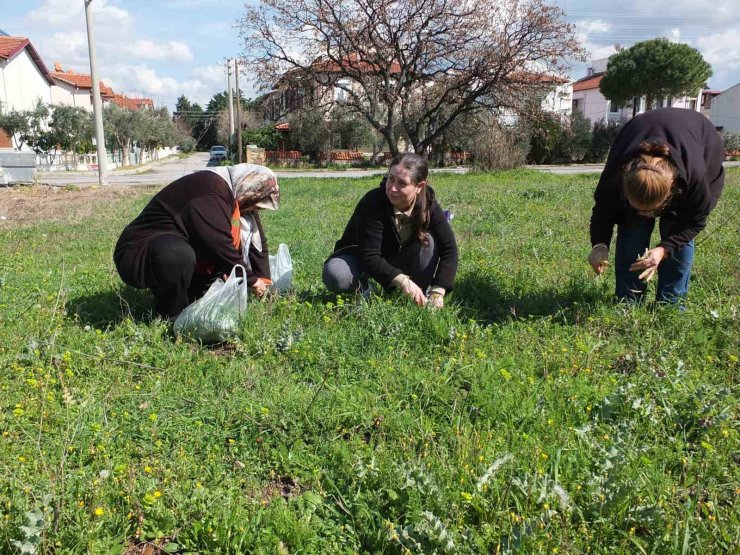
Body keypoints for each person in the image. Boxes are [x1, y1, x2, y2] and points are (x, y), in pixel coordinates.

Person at [588, 108, 725, 303]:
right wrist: (600, 245)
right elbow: (603, 211)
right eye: (639, 209)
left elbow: (693, 221)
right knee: (631, 226)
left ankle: (670, 304)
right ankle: (628, 301)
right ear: (624, 189)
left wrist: (664, 249)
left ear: (671, 194)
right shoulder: (616, 175)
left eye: (652, 210)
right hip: (638, 131)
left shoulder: (694, 180)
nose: (647, 216)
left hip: (700, 141)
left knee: (676, 229)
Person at [114, 164, 279, 318]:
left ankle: (189, 299)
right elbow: (217, 245)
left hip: (183, 245)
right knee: (177, 254)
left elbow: (258, 244)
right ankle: (172, 315)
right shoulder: (210, 190)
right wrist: (252, 280)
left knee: (205, 301)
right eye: (256, 205)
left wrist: (263, 280)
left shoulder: (237, 195)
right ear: (250, 189)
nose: (255, 210)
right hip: (139, 252)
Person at [323, 152, 458, 308]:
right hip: (361, 258)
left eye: (402, 183)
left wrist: (438, 291)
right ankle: (366, 290)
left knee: (429, 241)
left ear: (419, 187)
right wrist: (401, 280)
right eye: (391, 179)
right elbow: (369, 255)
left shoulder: (429, 205)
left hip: (398, 257)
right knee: (335, 273)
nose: (392, 188)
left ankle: (417, 295)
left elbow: (449, 250)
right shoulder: (373, 202)